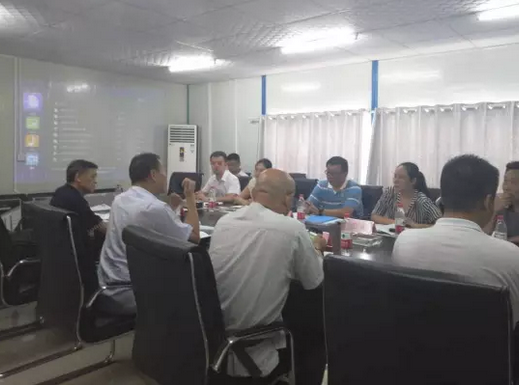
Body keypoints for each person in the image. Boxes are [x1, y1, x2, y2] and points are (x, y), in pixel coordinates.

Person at [391, 154, 519, 333]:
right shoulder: (515, 259)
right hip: (487, 350)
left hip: (415, 346)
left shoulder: (404, 241)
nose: (507, 187)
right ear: (488, 201)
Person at [209, 169, 326, 382]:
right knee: (316, 324)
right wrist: (317, 249)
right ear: (287, 198)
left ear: (254, 193)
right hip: (253, 347)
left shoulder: (224, 222)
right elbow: (314, 281)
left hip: (212, 339)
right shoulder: (292, 229)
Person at [98, 153, 199, 315]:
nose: (166, 177)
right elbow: (194, 238)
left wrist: (172, 209)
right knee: (196, 277)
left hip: (108, 281)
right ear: (153, 175)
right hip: (132, 289)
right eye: (163, 172)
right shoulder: (154, 207)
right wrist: (190, 197)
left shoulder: (120, 200)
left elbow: (150, 226)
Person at [50, 159, 106, 259]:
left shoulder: (61, 192)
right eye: (92, 176)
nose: (95, 181)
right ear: (78, 177)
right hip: (78, 257)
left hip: (60, 253)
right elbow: (102, 228)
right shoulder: (76, 200)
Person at [371, 162, 441, 227]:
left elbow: (441, 225)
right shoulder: (390, 193)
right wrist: (397, 223)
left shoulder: (422, 201)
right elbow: (374, 216)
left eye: (401, 177)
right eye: (395, 176)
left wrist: (415, 225)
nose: (395, 180)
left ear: (413, 181)